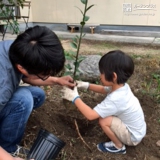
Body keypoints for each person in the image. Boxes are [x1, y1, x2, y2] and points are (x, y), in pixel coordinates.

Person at [0, 25, 75, 158]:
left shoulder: (18, 48)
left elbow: (28, 77)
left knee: (37, 95)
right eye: (43, 75)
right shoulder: (3, 85)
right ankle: (8, 147)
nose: (46, 78)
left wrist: (58, 81)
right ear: (21, 68)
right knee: (24, 100)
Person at [62, 50, 146, 154]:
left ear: (114, 76)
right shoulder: (122, 87)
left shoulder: (116, 99)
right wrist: (85, 85)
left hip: (132, 137)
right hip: (138, 130)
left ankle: (119, 147)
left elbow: (91, 115)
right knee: (107, 118)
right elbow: (103, 89)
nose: (100, 75)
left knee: (103, 120)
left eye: (102, 72)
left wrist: (74, 98)